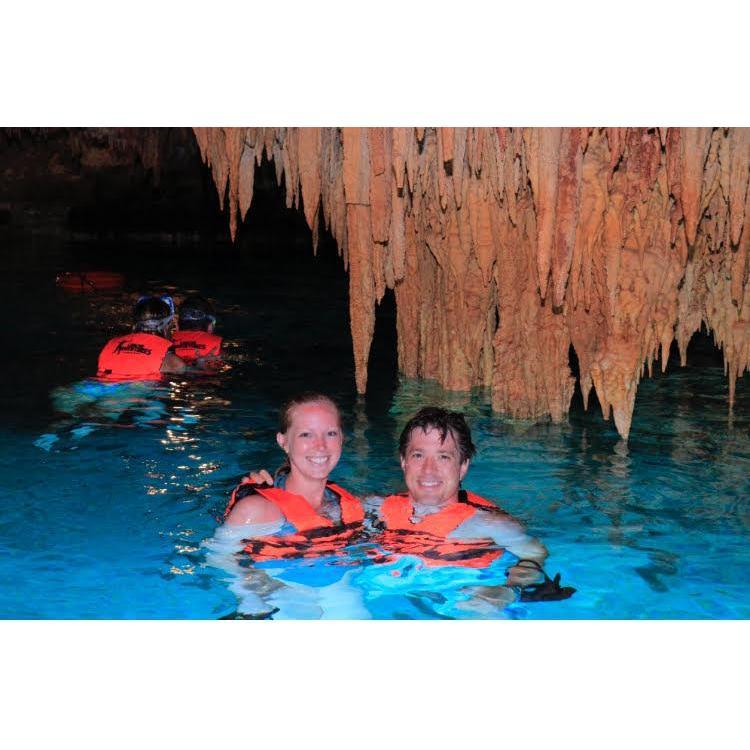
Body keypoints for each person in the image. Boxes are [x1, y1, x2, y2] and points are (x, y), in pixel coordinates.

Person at [366, 406, 548, 613]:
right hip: (384, 595)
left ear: (462, 466)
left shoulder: (488, 524)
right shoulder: (375, 508)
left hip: (461, 599)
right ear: (404, 461)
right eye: (418, 455)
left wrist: (509, 589)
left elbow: (535, 553)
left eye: (443, 457)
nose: (429, 469)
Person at [207, 392, 371, 618]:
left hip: (339, 592)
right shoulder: (258, 510)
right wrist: (256, 597)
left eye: (330, 433)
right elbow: (218, 557)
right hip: (279, 602)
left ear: (342, 438)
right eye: (306, 435)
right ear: (283, 441)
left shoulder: (350, 505)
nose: (321, 446)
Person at [97, 295, 186, 380]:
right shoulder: (174, 363)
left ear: (135, 323)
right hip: (134, 391)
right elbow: (178, 368)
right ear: (168, 325)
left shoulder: (112, 343)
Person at [172, 295, 223, 369]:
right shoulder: (216, 343)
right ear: (210, 326)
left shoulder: (167, 342)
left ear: (177, 325)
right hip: (206, 375)